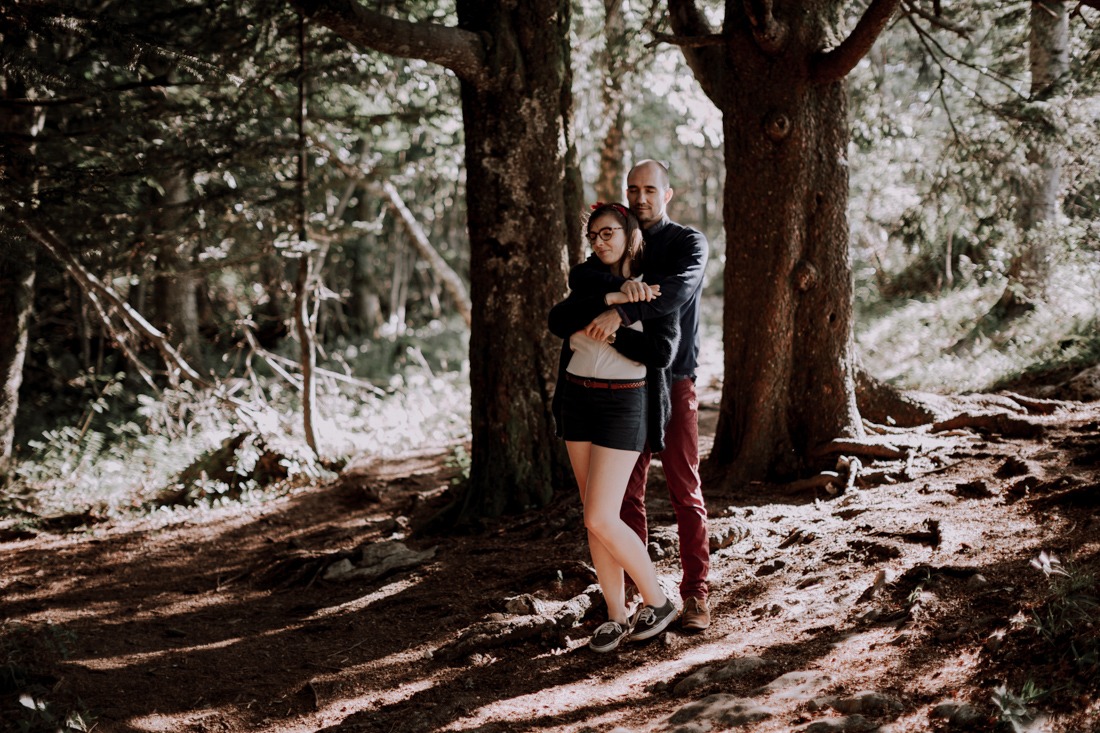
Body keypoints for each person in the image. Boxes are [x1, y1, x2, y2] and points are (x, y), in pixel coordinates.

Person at [572, 160, 711, 632]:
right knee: (623, 496)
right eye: (633, 189)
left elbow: (673, 293)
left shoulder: (687, 242)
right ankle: (637, 594)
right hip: (626, 384)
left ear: (667, 193)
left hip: (675, 376)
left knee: (683, 487)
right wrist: (614, 298)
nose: (641, 197)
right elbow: (582, 285)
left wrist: (621, 317)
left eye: (650, 189)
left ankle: (695, 594)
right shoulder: (620, 241)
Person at [549, 202, 681, 652]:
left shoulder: (655, 287)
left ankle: (659, 600)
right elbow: (558, 321)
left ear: (628, 235)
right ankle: (615, 615)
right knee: (594, 519)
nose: (600, 242)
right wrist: (609, 300)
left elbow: (661, 352)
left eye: (608, 233)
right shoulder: (587, 280)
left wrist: (614, 327)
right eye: (594, 236)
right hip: (576, 398)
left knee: (600, 514)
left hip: (624, 404)